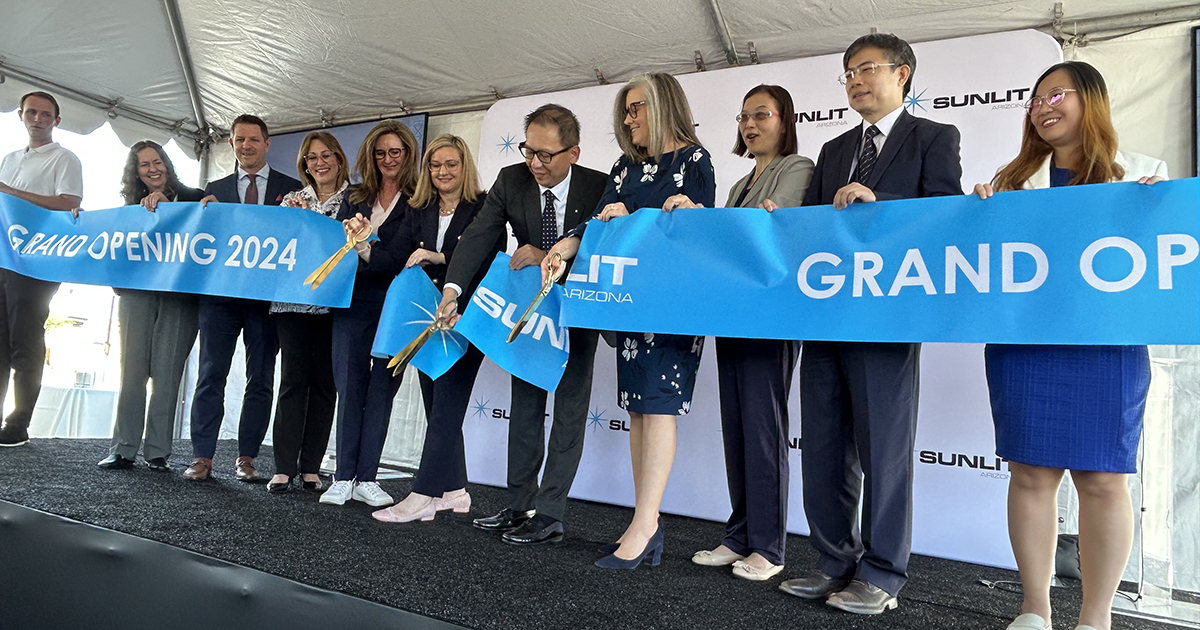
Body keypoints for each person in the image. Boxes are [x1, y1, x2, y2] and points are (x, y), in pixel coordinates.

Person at [972, 61, 1167, 630]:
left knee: (1103, 479)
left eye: (1056, 94)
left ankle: (1096, 616)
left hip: (1107, 347)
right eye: (1035, 99)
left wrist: (1157, 210)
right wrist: (980, 213)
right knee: (1030, 473)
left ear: (1092, 101)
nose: (1042, 106)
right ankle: (1035, 609)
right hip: (1028, 345)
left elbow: (1169, 260)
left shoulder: (1146, 175)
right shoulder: (1009, 182)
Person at [778, 34, 962, 613]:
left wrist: (877, 200)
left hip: (888, 316)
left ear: (902, 74)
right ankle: (834, 562)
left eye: (867, 69)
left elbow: (943, 216)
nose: (856, 81)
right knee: (826, 445)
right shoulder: (832, 150)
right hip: (828, 314)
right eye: (848, 73)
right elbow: (811, 228)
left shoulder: (935, 137)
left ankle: (883, 574)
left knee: (883, 448)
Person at [544, 72, 716, 569]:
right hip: (627, 306)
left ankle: (645, 523)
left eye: (636, 108)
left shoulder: (694, 160)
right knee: (638, 410)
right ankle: (645, 522)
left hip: (670, 305)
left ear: (662, 106)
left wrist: (683, 212)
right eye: (625, 110)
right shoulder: (625, 166)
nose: (628, 118)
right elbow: (597, 221)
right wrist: (573, 239)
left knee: (657, 407)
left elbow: (702, 229)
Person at [434, 105, 606, 544]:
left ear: (573, 153)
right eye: (530, 150)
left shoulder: (600, 187)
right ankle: (518, 504)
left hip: (579, 312)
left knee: (569, 408)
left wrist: (552, 256)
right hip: (528, 311)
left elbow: (606, 248)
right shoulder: (511, 180)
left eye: (547, 155)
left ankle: (550, 514)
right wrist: (453, 290)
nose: (535, 163)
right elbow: (477, 234)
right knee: (525, 404)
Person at [688, 85, 813, 581]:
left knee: (764, 432)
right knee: (737, 428)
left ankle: (769, 547)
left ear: (785, 120)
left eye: (761, 115)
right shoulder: (742, 179)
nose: (749, 124)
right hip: (734, 315)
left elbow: (767, 226)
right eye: (743, 116)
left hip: (770, 317)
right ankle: (739, 535)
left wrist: (709, 220)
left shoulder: (797, 166)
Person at [372, 135, 501, 522]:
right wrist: (364, 242)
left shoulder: (484, 208)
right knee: (436, 406)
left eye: (451, 164)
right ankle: (455, 490)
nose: (442, 172)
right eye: (435, 165)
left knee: (446, 407)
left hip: (465, 319)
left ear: (465, 167)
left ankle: (423, 494)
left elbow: (487, 257)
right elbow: (394, 255)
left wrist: (439, 256)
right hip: (424, 319)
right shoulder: (419, 208)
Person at [184, 114, 302, 481]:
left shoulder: (294, 189)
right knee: (210, 375)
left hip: (266, 302)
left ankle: (247, 458)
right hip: (220, 298)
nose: (246, 145)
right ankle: (202, 456)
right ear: (232, 144)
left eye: (253, 139)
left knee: (261, 379)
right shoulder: (213, 188)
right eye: (239, 140)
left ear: (268, 144)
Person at [319, 119, 420, 508]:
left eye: (395, 152)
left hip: (396, 308)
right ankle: (343, 476)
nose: (387, 159)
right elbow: (336, 246)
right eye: (380, 153)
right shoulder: (355, 196)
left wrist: (366, 247)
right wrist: (355, 242)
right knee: (350, 388)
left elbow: (402, 259)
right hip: (352, 304)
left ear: (408, 154)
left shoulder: (419, 199)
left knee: (382, 392)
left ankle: (368, 477)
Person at [98, 141, 204, 471]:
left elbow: (215, 223)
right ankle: (123, 447)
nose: (152, 169)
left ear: (168, 165)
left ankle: (158, 451)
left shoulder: (195, 198)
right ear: (136, 172)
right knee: (131, 372)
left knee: (167, 374)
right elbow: (109, 245)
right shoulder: (127, 208)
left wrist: (171, 209)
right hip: (136, 295)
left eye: (157, 162)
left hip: (180, 297)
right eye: (144, 165)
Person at [266, 131, 350, 493]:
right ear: (304, 163)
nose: (320, 162)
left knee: (325, 385)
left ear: (338, 159)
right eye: (312, 157)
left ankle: (312, 467)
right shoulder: (291, 201)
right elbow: (279, 248)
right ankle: (283, 467)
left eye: (327, 155)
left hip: (336, 305)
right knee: (292, 382)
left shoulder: (356, 200)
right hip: (292, 304)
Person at [0, 91, 83, 448]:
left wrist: (10, 192)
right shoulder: (9, 158)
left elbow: (69, 202)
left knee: (25, 342)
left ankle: (18, 423)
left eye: (45, 114)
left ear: (56, 121)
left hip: (37, 261)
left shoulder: (65, 158)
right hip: (4, 256)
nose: (38, 119)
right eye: (31, 112)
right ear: (21, 115)